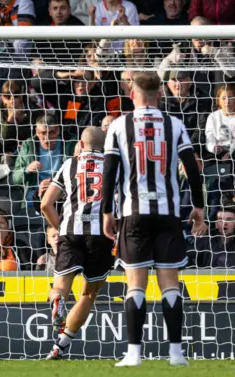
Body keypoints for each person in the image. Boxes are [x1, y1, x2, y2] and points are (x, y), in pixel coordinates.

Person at [101, 72, 207, 367]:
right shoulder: (174, 124)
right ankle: (176, 353)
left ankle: (134, 354)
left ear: (132, 93)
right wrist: (198, 206)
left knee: (135, 284)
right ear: (160, 94)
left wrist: (106, 211)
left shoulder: (120, 125)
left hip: (133, 214)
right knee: (170, 284)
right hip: (168, 213)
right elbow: (192, 169)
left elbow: (109, 172)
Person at [40, 127, 114, 360]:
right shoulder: (115, 166)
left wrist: (61, 226)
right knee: (88, 294)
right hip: (100, 235)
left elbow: (45, 204)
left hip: (70, 232)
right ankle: (63, 344)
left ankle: (58, 301)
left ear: (80, 145)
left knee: (61, 287)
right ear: (104, 147)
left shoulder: (69, 164)